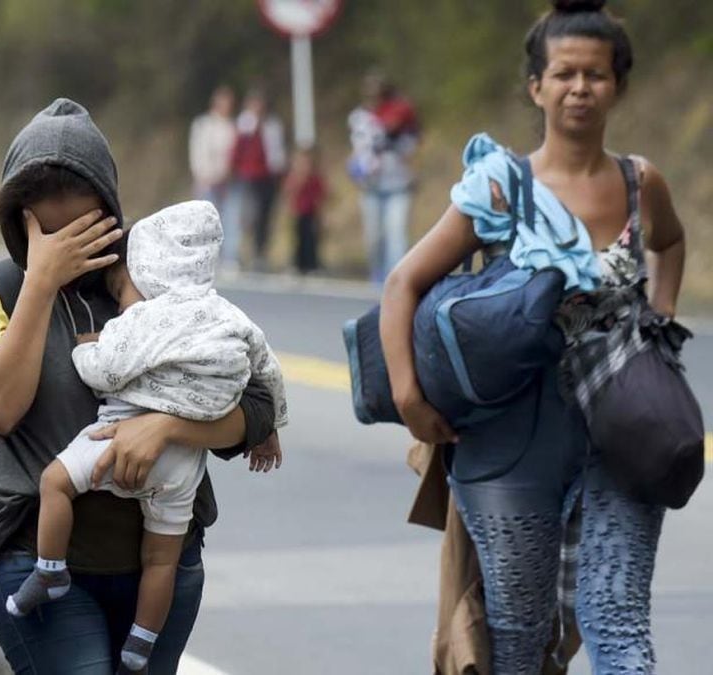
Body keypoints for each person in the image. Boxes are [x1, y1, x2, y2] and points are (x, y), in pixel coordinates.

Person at [379, 1, 686, 672]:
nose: (580, 88)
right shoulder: (499, 187)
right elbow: (403, 283)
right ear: (536, 86)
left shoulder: (641, 182)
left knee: (619, 618)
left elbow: (669, 241)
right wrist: (408, 397)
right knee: (517, 636)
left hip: (623, 427)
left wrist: (658, 326)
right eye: (565, 73)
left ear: (618, 85)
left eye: (597, 76)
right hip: (509, 440)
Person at [0, 98, 279, 674]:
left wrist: (168, 426)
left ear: (111, 213)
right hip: (39, 563)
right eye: (45, 232)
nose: (64, 245)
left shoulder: (150, 282)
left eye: (80, 228)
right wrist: (40, 284)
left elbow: (252, 408)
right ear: (16, 223)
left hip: (162, 562)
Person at [4, 200, 288, 674]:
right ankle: (142, 641)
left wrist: (83, 350)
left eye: (120, 289)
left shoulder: (141, 319)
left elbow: (106, 373)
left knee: (55, 483)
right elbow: (269, 375)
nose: (120, 299)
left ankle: (50, 570)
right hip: (182, 467)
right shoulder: (230, 317)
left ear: (143, 274)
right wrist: (271, 430)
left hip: (114, 444)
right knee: (161, 560)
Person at [348, 70, 419, 283]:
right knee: (374, 237)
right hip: (372, 187)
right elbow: (356, 150)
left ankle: (394, 279)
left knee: (397, 234)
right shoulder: (360, 119)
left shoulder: (402, 117)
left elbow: (415, 148)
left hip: (398, 185)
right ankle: (377, 274)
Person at [226, 88, 285, 273]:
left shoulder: (272, 125)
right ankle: (239, 253)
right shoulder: (244, 126)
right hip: (249, 177)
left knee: (265, 217)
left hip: (268, 177)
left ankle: (260, 254)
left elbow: (277, 151)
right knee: (249, 215)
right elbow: (236, 153)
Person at [188, 85, 236, 224]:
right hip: (207, 183)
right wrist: (203, 176)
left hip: (227, 183)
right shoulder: (203, 125)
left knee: (228, 223)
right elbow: (198, 153)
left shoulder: (231, 126)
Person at [283, 147, 328, 274]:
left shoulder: (315, 178)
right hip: (298, 213)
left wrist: (322, 214)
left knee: (311, 239)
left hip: (311, 214)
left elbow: (321, 196)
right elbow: (289, 193)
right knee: (297, 238)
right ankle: (297, 263)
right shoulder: (294, 178)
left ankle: (312, 264)